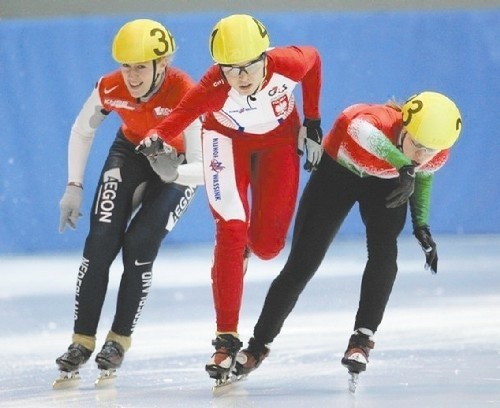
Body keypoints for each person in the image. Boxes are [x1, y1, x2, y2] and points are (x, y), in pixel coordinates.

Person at [137, 14, 323, 382]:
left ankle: (248, 250)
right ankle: (225, 338)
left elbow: (314, 60)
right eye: (230, 69)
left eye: (247, 68)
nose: (239, 78)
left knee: (268, 246)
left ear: (265, 56)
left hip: (278, 141)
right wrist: (157, 136)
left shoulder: (287, 62)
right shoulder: (214, 83)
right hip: (226, 142)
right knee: (231, 228)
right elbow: (183, 112)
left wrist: (313, 121)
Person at [233, 91, 463, 380]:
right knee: (302, 265)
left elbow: (425, 173)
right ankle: (257, 346)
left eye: (429, 150)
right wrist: (402, 164)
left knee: (385, 255)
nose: (421, 155)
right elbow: (358, 129)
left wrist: (421, 224)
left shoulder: (434, 151)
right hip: (337, 175)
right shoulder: (376, 120)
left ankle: (361, 340)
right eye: (416, 144)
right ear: (404, 126)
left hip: (387, 184)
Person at [55, 19, 203, 382]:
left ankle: (118, 341)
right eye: (126, 66)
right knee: (100, 241)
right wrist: (73, 186)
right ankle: (81, 341)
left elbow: (204, 168)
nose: (132, 76)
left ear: (162, 64)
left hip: (178, 165)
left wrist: (174, 173)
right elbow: (82, 129)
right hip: (132, 151)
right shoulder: (111, 86)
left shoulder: (186, 90)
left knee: (138, 244)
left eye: (140, 66)